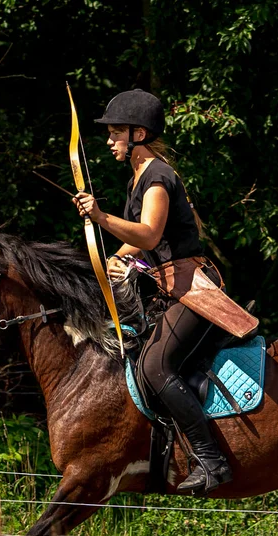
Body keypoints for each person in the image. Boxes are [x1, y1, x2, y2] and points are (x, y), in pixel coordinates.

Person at [71, 88, 232, 495]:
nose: (109, 141)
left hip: (192, 288)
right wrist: (111, 262)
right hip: (170, 287)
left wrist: (101, 216)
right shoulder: (139, 178)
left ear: (138, 133)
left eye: (115, 132)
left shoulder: (157, 176)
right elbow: (138, 244)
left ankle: (211, 462)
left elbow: (149, 232)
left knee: (156, 367)